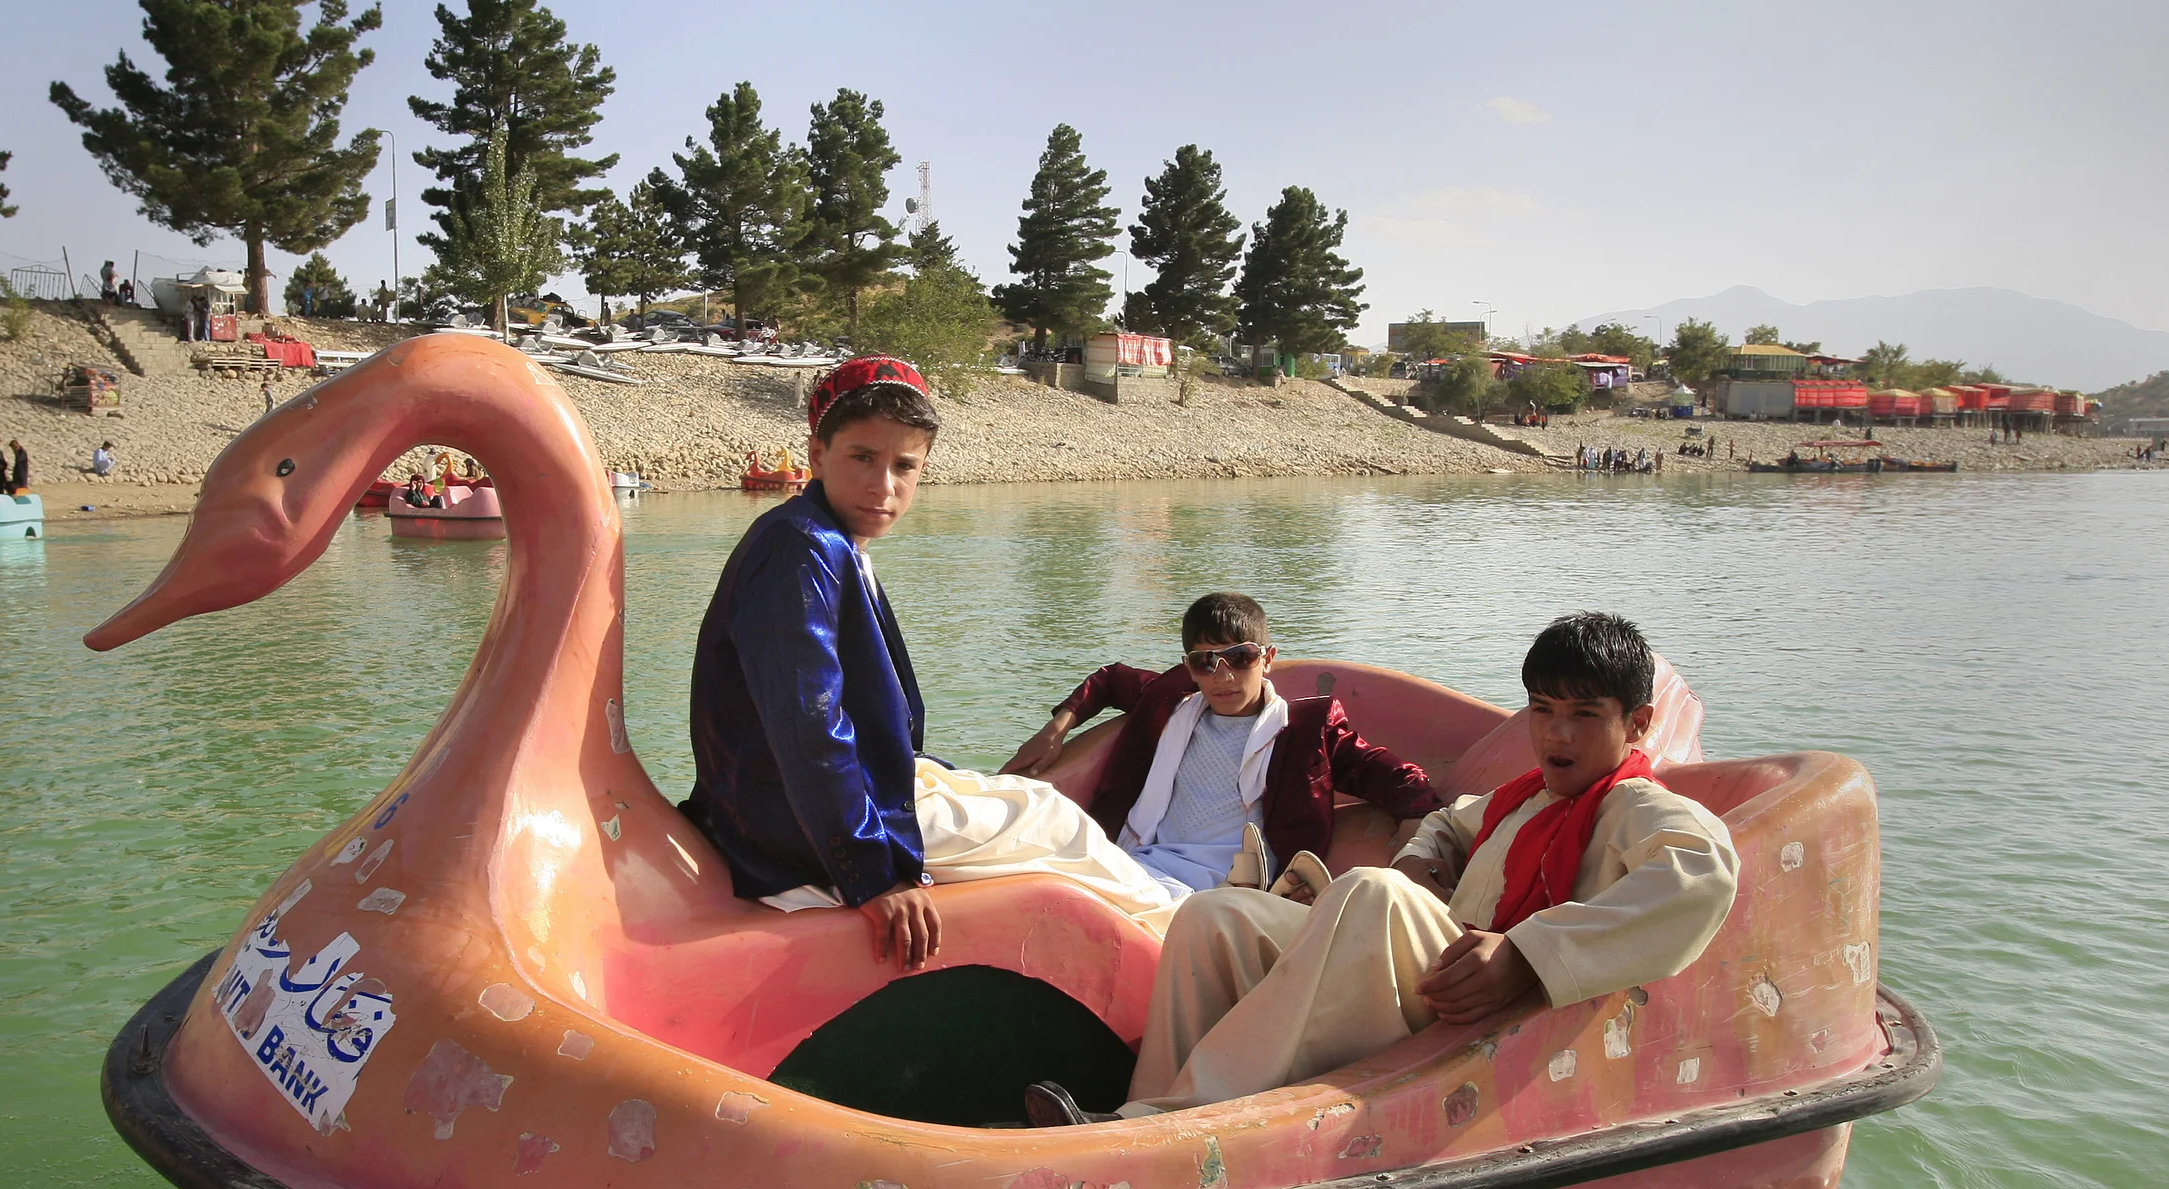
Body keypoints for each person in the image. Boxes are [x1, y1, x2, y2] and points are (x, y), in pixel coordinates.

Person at [1029, 612, 1739, 1125]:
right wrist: (1426, 859)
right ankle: (1139, 1109)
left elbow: (1704, 872)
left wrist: (1527, 953)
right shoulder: (1527, 796)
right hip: (1438, 969)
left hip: (1478, 997)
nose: (1555, 733)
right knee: (1215, 915)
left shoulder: (1636, 808)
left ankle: (1176, 1122)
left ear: (1638, 724)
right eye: (1543, 709)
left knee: (1371, 891)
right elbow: (1444, 822)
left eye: (1584, 714)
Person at [687, 355, 1177, 970]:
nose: (883, 486)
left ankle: (1174, 928)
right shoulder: (801, 547)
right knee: (1059, 828)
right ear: (817, 453)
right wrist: (871, 875)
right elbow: (807, 726)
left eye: (904, 466)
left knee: (1037, 804)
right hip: (782, 819)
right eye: (862, 458)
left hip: (800, 792)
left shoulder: (827, 538)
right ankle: (1184, 953)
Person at [1002, 592, 1440, 899]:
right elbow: (1110, 679)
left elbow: (1399, 780)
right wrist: (1055, 729)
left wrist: (1411, 843)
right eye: (1205, 662)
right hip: (1135, 856)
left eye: (1241, 657)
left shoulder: (1305, 731)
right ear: (1189, 668)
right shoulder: (1173, 705)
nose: (1223, 676)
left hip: (1216, 885)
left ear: (1268, 658)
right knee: (1019, 812)